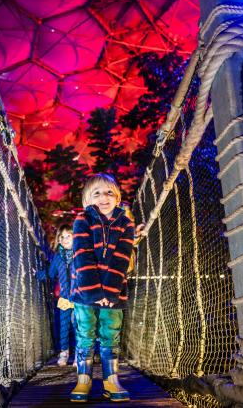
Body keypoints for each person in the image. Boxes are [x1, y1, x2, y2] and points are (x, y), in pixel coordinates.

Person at [69, 173, 135, 403]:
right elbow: (82, 255)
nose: (103, 197)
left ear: (117, 198)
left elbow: (122, 257)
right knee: (85, 333)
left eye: (109, 192)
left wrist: (110, 292)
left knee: (110, 335)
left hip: (115, 292)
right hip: (85, 294)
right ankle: (84, 379)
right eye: (96, 193)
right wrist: (96, 292)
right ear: (86, 200)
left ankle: (111, 379)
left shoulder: (126, 224)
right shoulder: (82, 221)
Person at [48, 224, 76, 366]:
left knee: (79, 326)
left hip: (79, 298)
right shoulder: (57, 257)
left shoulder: (81, 255)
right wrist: (38, 274)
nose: (65, 239)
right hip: (65, 298)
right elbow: (51, 273)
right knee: (64, 326)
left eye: (68, 236)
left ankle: (80, 354)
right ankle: (64, 353)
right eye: (62, 237)